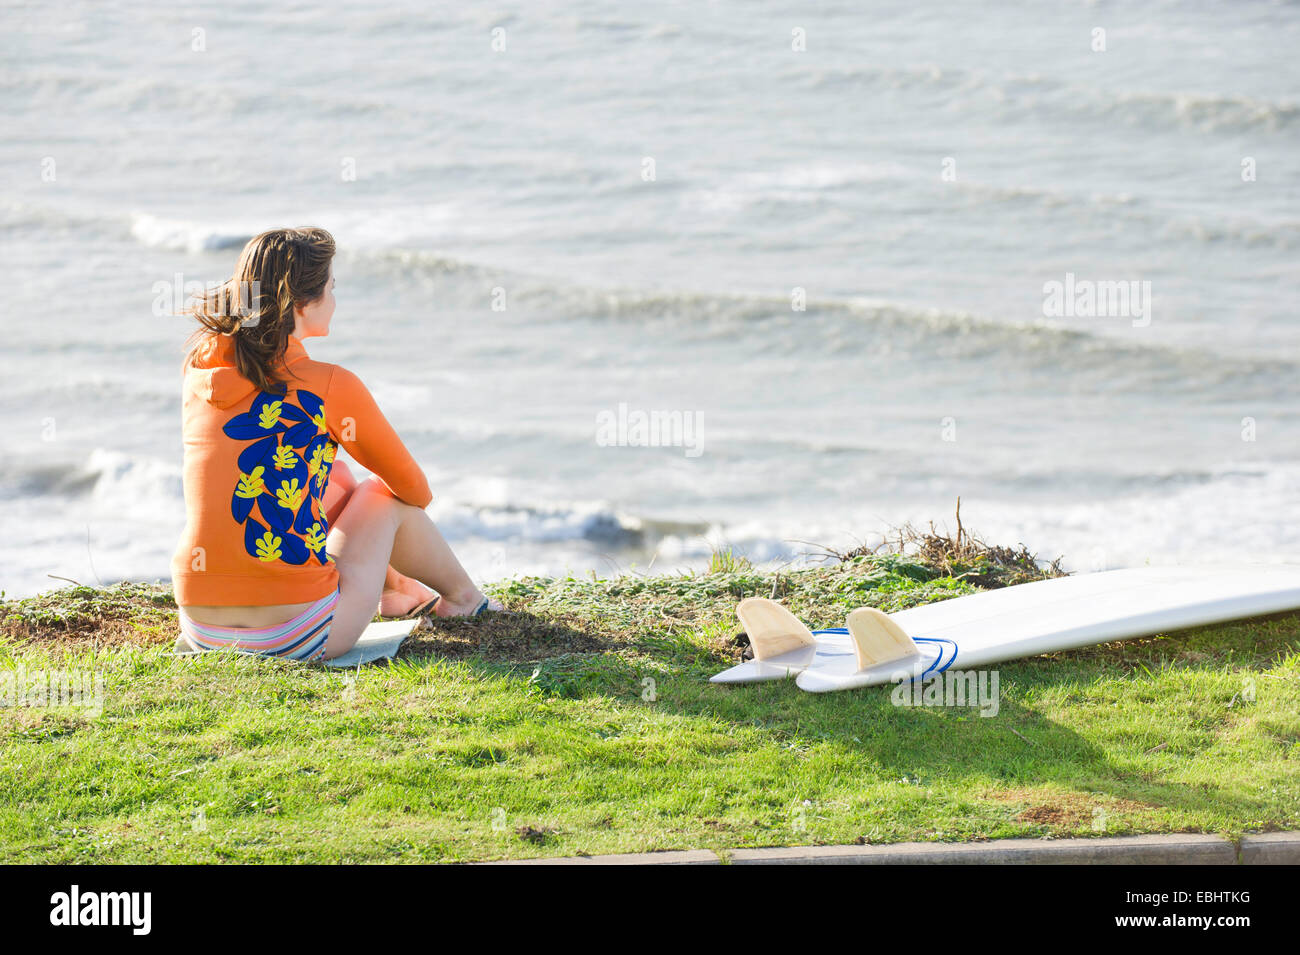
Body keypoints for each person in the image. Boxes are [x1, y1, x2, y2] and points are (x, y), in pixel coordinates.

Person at [169, 227, 500, 662]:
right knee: (381, 495)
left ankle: (399, 591)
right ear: (302, 303)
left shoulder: (200, 371)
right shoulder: (329, 384)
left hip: (201, 626)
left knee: (337, 477)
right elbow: (414, 491)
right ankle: (462, 598)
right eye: (331, 287)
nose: (335, 299)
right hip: (296, 634)